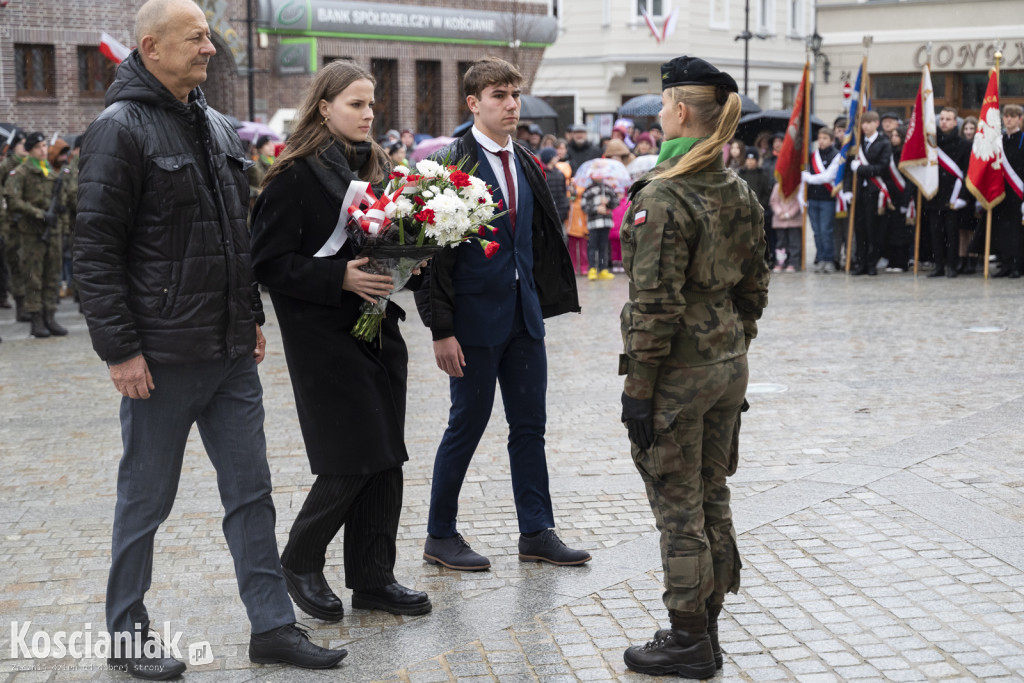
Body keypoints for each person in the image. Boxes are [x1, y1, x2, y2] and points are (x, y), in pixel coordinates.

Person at [73, 0, 348, 677]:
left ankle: (272, 625)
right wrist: (120, 349)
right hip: (160, 357)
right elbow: (94, 250)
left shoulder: (221, 126)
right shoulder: (117, 130)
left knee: (251, 492)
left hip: (228, 353)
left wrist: (249, 314)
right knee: (146, 498)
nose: (208, 48)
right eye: (194, 38)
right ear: (150, 47)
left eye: (207, 36)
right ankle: (127, 627)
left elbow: (236, 237)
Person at [250, 60, 432, 621]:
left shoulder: (376, 167)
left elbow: (382, 242)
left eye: (372, 104)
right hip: (322, 338)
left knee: (386, 458)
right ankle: (301, 556)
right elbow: (267, 262)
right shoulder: (294, 174)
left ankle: (374, 579)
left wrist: (409, 261)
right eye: (356, 103)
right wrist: (339, 277)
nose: (368, 113)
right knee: (354, 456)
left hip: (376, 328)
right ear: (324, 108)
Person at [619, 55, 769, 678]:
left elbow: (654, 306)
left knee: (678, 507)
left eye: (663, 104)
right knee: (712, 496)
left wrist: (638, 391)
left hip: (678, 374)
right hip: (726, 364)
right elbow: (755, 289)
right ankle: (705, 627)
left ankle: (687, 640)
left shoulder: (665, 193)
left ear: (681, 110)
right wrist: (731, 343)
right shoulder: (736, 188)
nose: (658, 113)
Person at [415, 56, 587, 571]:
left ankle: (536, 531)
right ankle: (439, 534)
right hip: (471, 322)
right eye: (499, 96)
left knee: (529, 425)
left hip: (523, 317)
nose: (511, 104)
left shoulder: (529, 161)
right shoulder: (451, 165)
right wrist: (442, 330)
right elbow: (431, 263)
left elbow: (537, 241)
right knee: (466, 424)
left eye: (514, 94)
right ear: (473, 103)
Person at [5, 132, 67, 338]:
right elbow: (13, 201)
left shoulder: (50, 171)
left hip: (54, 231)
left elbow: (63, 196)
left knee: (52, 275)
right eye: (39, 147)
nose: (43, 150)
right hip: (32, 233)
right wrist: (39, 213)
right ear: (30, 149)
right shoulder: (21, 173)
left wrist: (60, 207)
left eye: (44, 146)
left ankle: (50, 316)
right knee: (33, 277)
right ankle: (36, 319)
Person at [922, 107, 970, 278]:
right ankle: (938, 266)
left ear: (955, 122)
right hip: (935, 193)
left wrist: (963, 197)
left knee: (952, 233)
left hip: (954, 195)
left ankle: (952, 265)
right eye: (941, 119)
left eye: (948, 119)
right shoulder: (933, 144)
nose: (944, 122)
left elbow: (967, 173)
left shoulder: (964, 145)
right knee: (935, 234)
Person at [845, 110, 893, 275]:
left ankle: (872, 264)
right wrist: (847, 190)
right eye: (863, 123)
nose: (865, 126)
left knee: (873, 230)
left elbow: (882, 167)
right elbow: (848, 171)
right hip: (858, 192)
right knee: (860, 230)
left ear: (876, 124)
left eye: (868, 123)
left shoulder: (883, 143)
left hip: (875, 192)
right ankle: (861, 263)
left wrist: (861, 169)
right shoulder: (857, 144)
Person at [802, 128, 839, 272]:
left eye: (825, 138)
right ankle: (821, 258)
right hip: (813, 197)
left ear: (831, 140)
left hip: (827, 199)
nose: (821, 141)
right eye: (820, 138)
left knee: (826, 231)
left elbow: (828, 176)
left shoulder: (836, 155)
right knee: (816, 231)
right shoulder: (811, 156)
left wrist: (809, 178)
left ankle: (829, 259)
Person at [993, 104, 1024, 277]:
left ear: (1020, 119)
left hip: (1019, 194)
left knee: (1017, 232)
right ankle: (1005, 263)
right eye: (1006, 116)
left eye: (1013, 116)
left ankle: (1017, 265)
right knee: (1002, 230)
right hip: (1001, 192)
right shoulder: (999, 141)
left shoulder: (1023, 140)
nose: (1009, 119)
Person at [581, 173, 620, 280]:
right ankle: (592, 268)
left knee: (604, 247)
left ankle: (603, 269)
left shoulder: (608, 188)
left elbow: (616, 202)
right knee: (592, 246)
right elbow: (584, 206)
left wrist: (608, 203)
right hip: (593, 223)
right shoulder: (588, 190)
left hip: (606, 222)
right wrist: (596, 209)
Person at [769, 179, 802, 271]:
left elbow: (799, 202)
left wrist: (789, 214)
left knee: (794, 242)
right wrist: (780, 212)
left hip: (793, 220)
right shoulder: (777, 187)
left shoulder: (797, 187)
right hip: (779, 220)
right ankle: (780, 262)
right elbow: (773, 201)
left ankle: (793, 262)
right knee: (781, 243)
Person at [540, 146, 570, 234]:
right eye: (555, 156)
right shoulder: (541, 173)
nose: (558, 157)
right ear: (550, 157)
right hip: (548, 214)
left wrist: (565, 207)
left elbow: (563, 193)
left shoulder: (560, 173)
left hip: (560, 212)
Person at [247, 134, 276, 204]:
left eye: (272, 143)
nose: (271, 146)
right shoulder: (254, 167)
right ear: (260, 149)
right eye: (267, 144)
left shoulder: (277, 163)